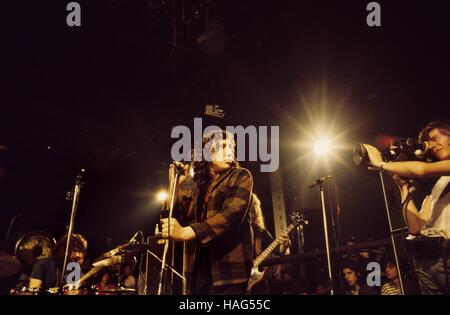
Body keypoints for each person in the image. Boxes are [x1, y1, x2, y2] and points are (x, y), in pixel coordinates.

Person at [161, 130, 254, 295]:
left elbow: (232, 213)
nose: (231, 150)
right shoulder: (196, 185)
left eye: (232, 146)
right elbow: (176, 219)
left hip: (228, 271)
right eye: (224, 146)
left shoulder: (241, 175)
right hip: (198, 271)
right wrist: (175, 186)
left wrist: (187, 232)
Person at [364, 121, 450, 294]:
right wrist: (402, 186)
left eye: (435, 138)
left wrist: (381, 163)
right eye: (428, 142)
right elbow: (415, 227)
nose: (431, 145)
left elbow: (422, 170)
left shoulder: (435, 170)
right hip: (428, 262)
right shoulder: (439, 185)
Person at [247, 193, 291, 294]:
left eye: (253, 210)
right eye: (248, 210)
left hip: (258, 283)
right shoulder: (237, 231)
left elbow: (278, 250)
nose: (250, 214)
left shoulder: (261, 232)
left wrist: (285, 245)